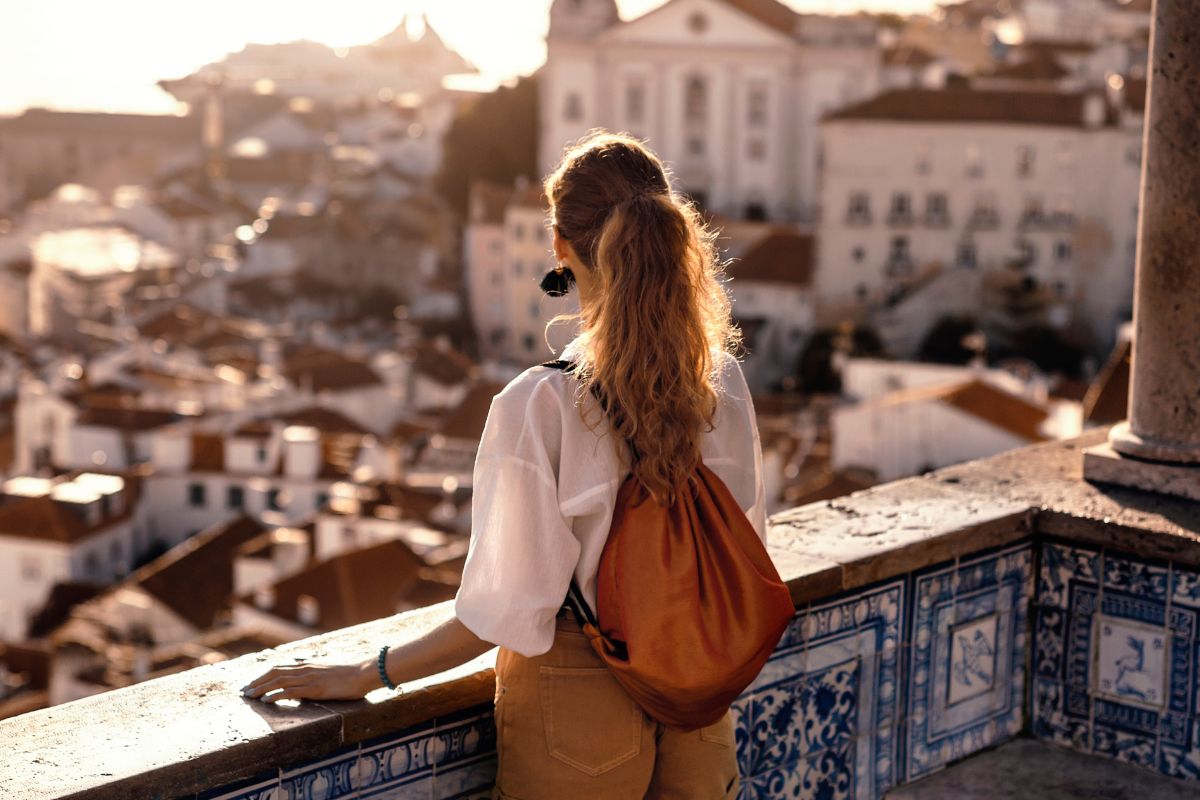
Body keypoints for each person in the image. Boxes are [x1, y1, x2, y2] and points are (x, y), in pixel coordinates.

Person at [241, 130, 767, 799]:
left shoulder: (540, 404)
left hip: (579, 703)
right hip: (699, 692)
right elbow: (744, 542)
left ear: (560, 245)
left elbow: (507, 610)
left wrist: (369, 673)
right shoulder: (721, 381)